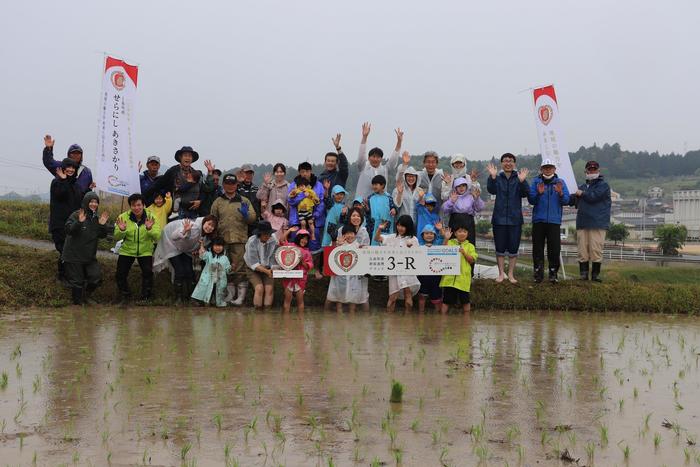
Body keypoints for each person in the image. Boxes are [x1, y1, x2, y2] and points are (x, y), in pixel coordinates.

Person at [210, 173, 257, 306]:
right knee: (226, 269)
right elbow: (212, 220)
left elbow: (253, 218)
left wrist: (246, 214)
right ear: (223, 185)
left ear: (237, 185)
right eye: (227, 183)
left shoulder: (244, 200)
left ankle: (240, 298)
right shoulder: (218, 201)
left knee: (240, 269)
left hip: (240, 239)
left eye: (233, 184)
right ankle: (229, 296)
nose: (230, 186)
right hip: (222, 241)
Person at [153, 215, 219, 305]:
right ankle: (178, 298)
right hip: (171, 244)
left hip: (185, 249)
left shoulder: (207, 237)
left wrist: (196, 250)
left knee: (189, 271)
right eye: (209, 224)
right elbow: (173, 236)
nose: (210, 227)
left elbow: (199, 247)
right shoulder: (194, 226)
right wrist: (185, 231)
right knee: (179, 270)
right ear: (204, 222)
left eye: (213, 227)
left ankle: (192, 298)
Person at [486, 153, 530, 283]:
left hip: (515, 219)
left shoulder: (519, 177)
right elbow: (491, 190)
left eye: (511, 161)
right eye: (505, 161)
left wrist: (522, 182)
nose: (508, 163)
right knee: (499, 247)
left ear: (514, 164)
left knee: (513, 248)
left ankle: (511, 274)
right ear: (501, 163)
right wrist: (493, 177)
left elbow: (525, 193)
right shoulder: (497, 177)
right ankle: (501, 274)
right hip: (499, 218)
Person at [62, 192, 110, 305]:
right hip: (73, 255)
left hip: (89, 256)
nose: (93, 204)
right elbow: (68, 230)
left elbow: (102, 235)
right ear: (86, 202)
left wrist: (102, 225)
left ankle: (86, 296)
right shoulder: (76, 215)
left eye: (96, 202)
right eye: (91, 201)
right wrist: (79, 222)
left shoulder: (97, 219)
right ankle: (78, 304)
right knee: (77, 282)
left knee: (95, 277)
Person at [113, 193, 161, 305]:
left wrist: (149, 229)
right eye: (133, 205)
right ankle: (125, 295)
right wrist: (121, 230)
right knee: (120, 274)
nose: (136, 208)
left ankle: (146, 297)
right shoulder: (123, 217)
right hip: (127, 250)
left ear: (143, 205)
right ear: (130, 206)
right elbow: (116, 237)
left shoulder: (151, 217)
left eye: (139, 205)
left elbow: (157, 236)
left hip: (145, 250)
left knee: (148, 272)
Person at [527, 159, 570, 283]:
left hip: (554, 221)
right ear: (541, 169)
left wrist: (561, 193)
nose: (547, 170)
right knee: (537, 249)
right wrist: (539, 194)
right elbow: (531, 200)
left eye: (550, 167)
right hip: (538, 220)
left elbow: (566, 201)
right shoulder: (536, 181)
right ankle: (538, 274)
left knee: (554, 249)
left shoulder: (560, 182)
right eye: (545, 168)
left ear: (554, 169)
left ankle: (553, 274)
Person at [143, 146, 215, 219]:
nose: (187, 158)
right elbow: (158, 185)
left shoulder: (195, 174)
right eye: (185, 155)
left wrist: (200, 200)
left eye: (190, 156)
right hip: (177, 212)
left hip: (193, 212)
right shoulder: (173, 171)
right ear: (180, 157)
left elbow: (205, 189)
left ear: (192, 159)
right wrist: (143, 200)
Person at [569, 160, 611, 282]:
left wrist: (581, 193)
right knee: (582, 250)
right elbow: (572, 200)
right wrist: (562, 193)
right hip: (582, 222)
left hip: (598, 223)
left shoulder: (603, 185)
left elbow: (593, 197)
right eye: (590, 169)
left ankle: (595, 275)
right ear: (586, 171)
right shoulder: (581, 187)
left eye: (594, 169)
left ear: (598, 171)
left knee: (596, 249)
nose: (592, 171)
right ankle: (583, 274)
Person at [374, 215, 421, 312]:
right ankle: (389, 321)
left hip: (408, 271)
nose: (400, 228)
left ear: (408, 227)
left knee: (408, 295)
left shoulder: (414, 239)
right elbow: (377, 239)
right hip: (394, 271)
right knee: (392, 297)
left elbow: (418, 257)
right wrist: (379, 229)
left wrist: (410, 248)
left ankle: (408, 320)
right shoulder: (392, 237)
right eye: (398, 225)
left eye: (403, 226)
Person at [49, 158, 84, 284]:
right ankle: (62, 276)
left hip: (72, 225)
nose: (71, 169)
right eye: (68, 167)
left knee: (71, 250)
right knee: (64, 250)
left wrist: (89, 190)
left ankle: (71, 276)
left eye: (73, 168)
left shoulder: (75, 185)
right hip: (59, 225)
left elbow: (78, 200)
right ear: (63, 168)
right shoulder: (57, 182)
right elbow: (60, 195)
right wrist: (63, 180)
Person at [327, 220, 370, 312]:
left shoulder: (359, 246)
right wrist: (337, 244)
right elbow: (329, 255)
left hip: (354, 278)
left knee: (353, 301)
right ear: (343, 235)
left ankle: (352, 320)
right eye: (347, 233)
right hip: (339, 278)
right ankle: (339, 320)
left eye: (351, 233)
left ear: (355, 234)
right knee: (339, 300)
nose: (349, 235)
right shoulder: (338, 245)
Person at [355, 123, 403, 200]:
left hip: (380, 205)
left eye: (378, 157)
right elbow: (361, 156)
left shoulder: (384, 169)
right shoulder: (363, 168)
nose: (375, 159)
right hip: (363, 205)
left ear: (381, 159)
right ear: (368, 157)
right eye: (373, 156)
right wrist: (364, 137)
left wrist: (399, 143)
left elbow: (393, 161)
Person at [440, 223, 478, 313]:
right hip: (449, 279)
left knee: (465, 302)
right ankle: (441, 321)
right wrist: (446, 238)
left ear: (467, 234)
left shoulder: (470, 246)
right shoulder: (450, 242)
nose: (462, 233)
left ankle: (466, 322)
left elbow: (472, 260)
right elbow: (442, 252)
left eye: (464, 231)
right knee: (446, 301)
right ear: (455, 233)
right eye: (460, 231)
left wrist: (464, 253)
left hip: (463, 280)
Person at [441, 176, 484, 252]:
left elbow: (479, 208)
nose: (461, 188)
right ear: (455, 187)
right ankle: (452, 263)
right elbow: (444, 210)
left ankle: (469, 263)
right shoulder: (452, 196)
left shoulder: (471, 196)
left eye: (463, 185)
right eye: (459, 186)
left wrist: (477, 198)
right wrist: (451, 201)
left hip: (468, 222)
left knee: (470, 243)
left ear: (467, 186)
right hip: (454, 222)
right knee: (453, 243)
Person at [243, 221, 278, 309]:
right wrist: (267, 271)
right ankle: (257, 313)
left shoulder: (274, 240)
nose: (268, 236)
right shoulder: (252, 242)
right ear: (259, 234)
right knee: (259, 288)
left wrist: (273, 269)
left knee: (269, 289)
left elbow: (274, 257)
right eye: (265, 234)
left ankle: (267, 312)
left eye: (269, 234)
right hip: (253, 269)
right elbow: (253, 263)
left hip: (268, 268)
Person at [278, 227, 314, 313]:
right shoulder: (290, 246)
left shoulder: (307, 252)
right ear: (298, 238)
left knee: (300, 301)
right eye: (302, 238)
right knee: (287, 300)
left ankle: (300, 322)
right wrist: (289, 231)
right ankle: (286, 321)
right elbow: (281, 241)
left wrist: (302, 262)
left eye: (306, 239)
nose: (304, 241)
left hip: (300, 280)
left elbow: (310, 265)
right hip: (289, 278)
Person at [191, 237, 231, 307]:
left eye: (220, 246)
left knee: (217, 291)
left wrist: (231, 268)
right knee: (203, 289)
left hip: (220, 280)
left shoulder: (225, 258)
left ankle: (215, 302)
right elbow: (202, 254)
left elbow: (227, 269)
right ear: (212, 246)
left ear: (223, 247)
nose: (218, 248)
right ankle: (198, 301)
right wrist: (202, 245)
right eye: (215, 245)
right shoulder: (209, 255)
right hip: (208, 278)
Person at [416, 224, 444, 312]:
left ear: (435, 235)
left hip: (436, 277)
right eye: (426, 233)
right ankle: (421, 318)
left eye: (431, 233)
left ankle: (438, 321)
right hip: (422, 277)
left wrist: (440, 229)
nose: (429, 235)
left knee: (437, 300)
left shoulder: (438, 245)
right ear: (422, 235)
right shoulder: (418, 246)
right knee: (422, 298)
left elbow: (445, 240)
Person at [366, 175, 397, 246]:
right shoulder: (370, 198)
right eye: (373, 184)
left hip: (386, 224)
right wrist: (367, 210)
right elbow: (368, 213)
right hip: (373, 226)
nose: (374, 186)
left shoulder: (389, 197)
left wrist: (393, 210)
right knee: (374, 245)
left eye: (376, 184)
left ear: (383, 185)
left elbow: (393, 207)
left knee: (386, 244)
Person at [393, 151, 421, 221]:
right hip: (402, 224)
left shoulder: (420, 191)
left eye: (413, 176)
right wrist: (400, 194)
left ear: (416, 177)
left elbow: (421, 208)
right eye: (408, 176)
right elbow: (397, 205)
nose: (411, 178)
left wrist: (421, 198)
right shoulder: (399, 189)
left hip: (416, 224)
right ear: (405, 177)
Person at [238, 163, 261, 234]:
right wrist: (237, 182)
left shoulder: (256, 188)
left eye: (250, 173)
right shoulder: (237, 187)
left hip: (254, 222)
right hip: (240, 222)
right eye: (246, 173)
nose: (248, 176)